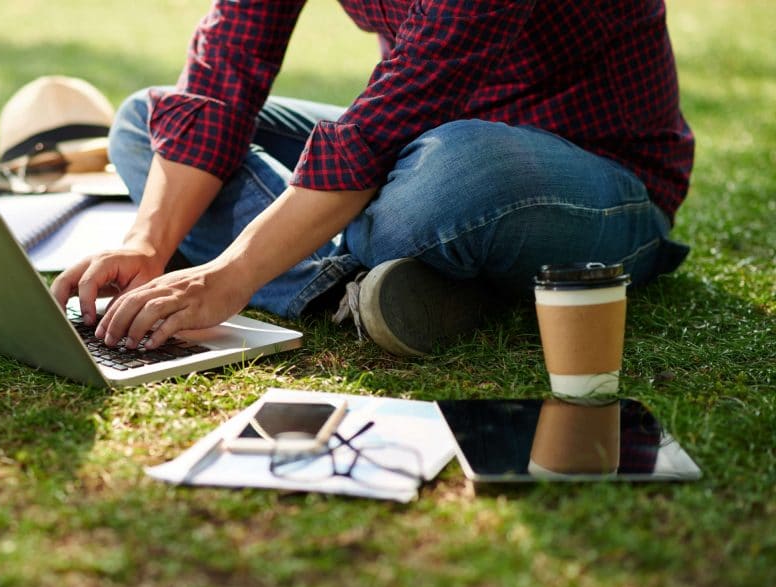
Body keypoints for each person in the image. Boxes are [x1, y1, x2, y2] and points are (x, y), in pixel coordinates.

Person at [50, 0, 693, 357]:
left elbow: (381, 132)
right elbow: (223, 73)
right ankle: (355, 288)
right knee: (146, 122)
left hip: (593, 180)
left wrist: (231, 273)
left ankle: (358, 259)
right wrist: (149, 242)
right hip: (418, 141)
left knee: (449, 177)